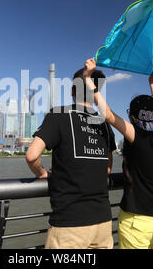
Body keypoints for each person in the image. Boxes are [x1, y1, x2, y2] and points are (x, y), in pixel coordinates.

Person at [82, 58, 153, 249]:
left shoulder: (138, 136)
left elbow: (107, 115)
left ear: (133, 117)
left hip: (137, 223)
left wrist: (87, 78)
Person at [25, 67, 117, 249]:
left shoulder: (58, 114)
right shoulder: (105, 125)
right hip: (103, 222)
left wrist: (42, 173)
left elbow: (32, 156)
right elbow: (107, 169)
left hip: (70, 223)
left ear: (72, 91)